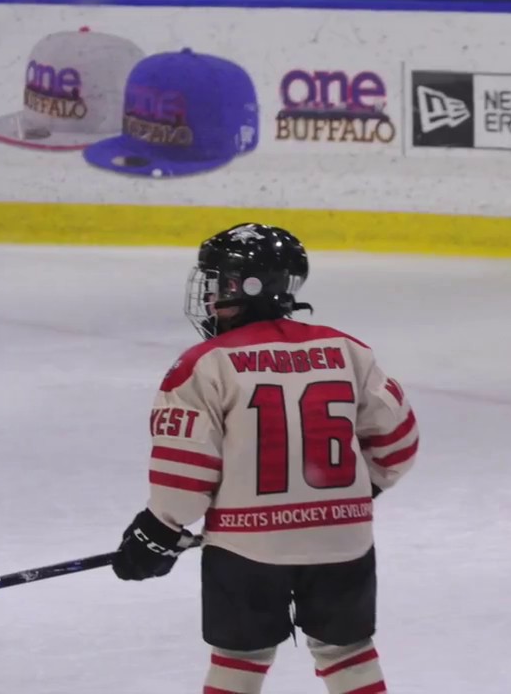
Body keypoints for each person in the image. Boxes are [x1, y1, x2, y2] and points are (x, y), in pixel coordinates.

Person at [112, 223, 417, 694]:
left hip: (246, 549)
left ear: (248, 287)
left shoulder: (205, 364)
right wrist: (352, 492)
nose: (211, 298)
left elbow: (185, 478)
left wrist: (158, 530)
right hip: (344, 539)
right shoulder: (349, 350)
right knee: (347, 653)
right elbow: (397, 444)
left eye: (221, 285)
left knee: (240, 658)